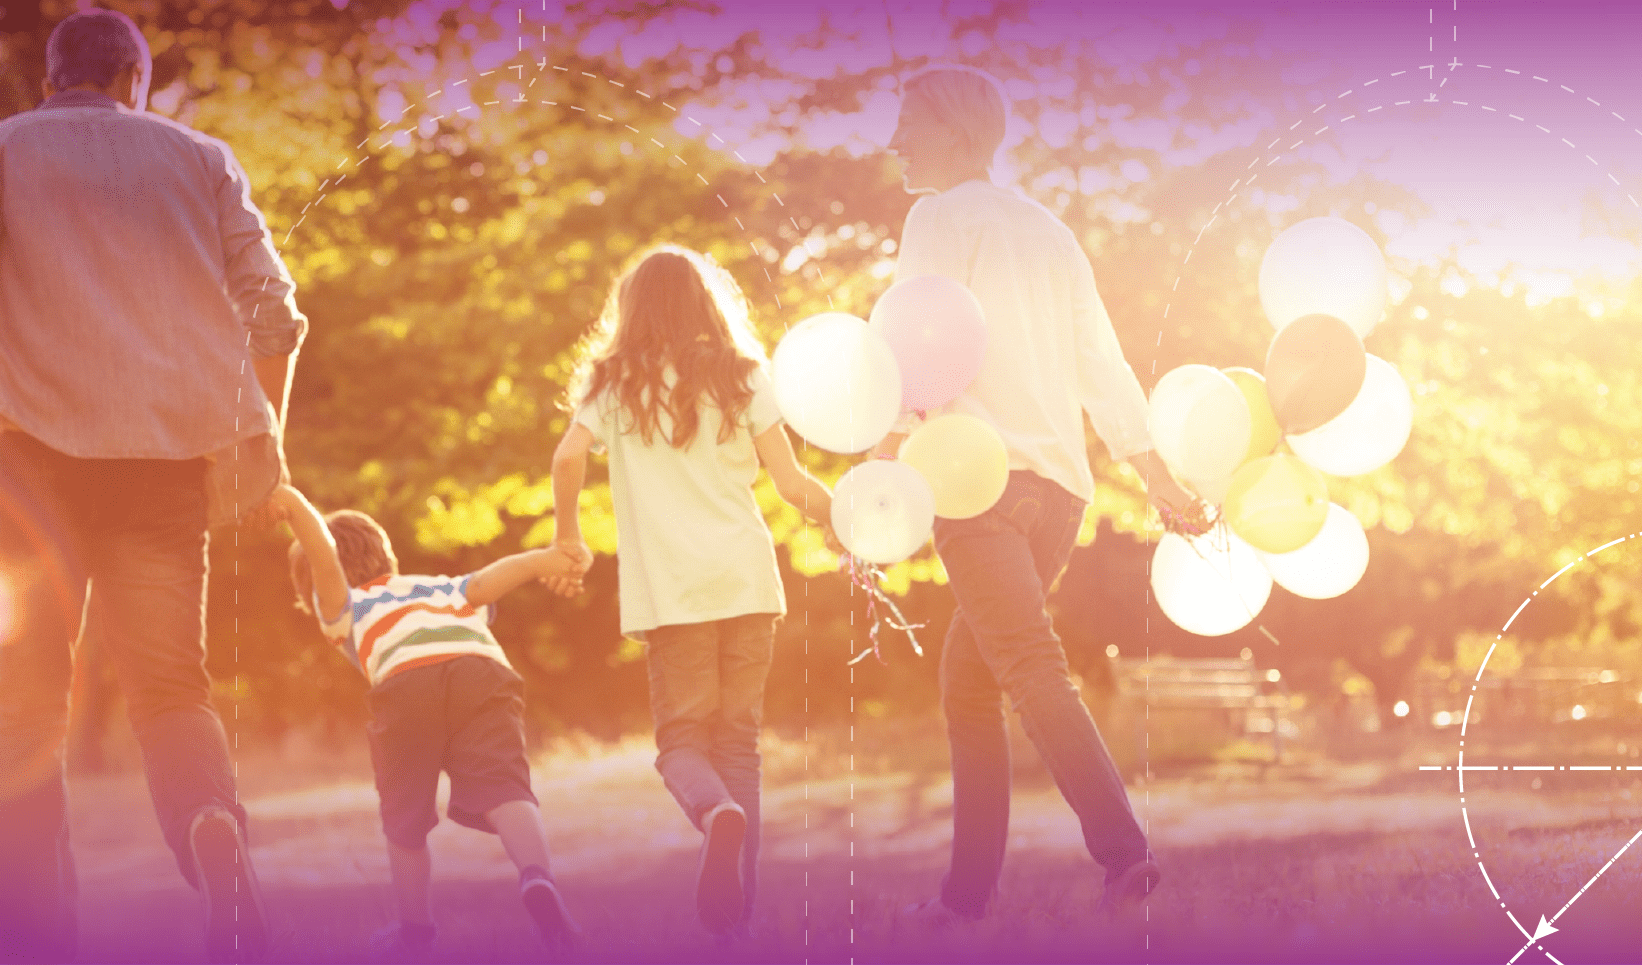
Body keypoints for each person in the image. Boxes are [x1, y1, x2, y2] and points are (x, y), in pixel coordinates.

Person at [0, 10, 302, 962]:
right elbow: (277, 315)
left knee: (29, 702)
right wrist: (260, 438)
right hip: (167, 463)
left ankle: (38, 943)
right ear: (134, 81)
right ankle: (211, 825)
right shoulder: (204, 160)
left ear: (52, 79)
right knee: (171, 690)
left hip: (33, 465)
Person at [877, 65, 1198, 924]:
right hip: (1058, 494)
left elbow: (916, 335)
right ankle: (966, 896)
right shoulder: (1048, 229)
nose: (892, 140)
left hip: (977, 484)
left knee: (1026, 667)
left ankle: (1125, 853)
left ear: (950, 129)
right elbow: (1102, 363)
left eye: (906, 122)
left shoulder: (936, 216)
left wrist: (881, 461)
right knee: (969, 684)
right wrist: (1155, 476)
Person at [548, 245, 836, 936]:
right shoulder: (743, 375)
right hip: (744, 578)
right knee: (737, 743)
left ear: (632, 309)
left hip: (673, 591)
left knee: (681, 740)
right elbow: (793, 485)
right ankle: (738, 912)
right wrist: (851, 520)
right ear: (707, 303)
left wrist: (568, 537)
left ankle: (714, 814)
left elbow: (565, 456)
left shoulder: (613, 381)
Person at [268, 484, 584, 956]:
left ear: (312, 586)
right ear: (387, 557)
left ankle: (415, 930)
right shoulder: (439, 586)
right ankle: (537, 877)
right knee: (506, 788)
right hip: (481, 671)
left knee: (406, 818)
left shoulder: (343, 608)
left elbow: (322, 554)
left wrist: (288, 500)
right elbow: (488, 582)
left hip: (405, 683)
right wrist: (546, 559)